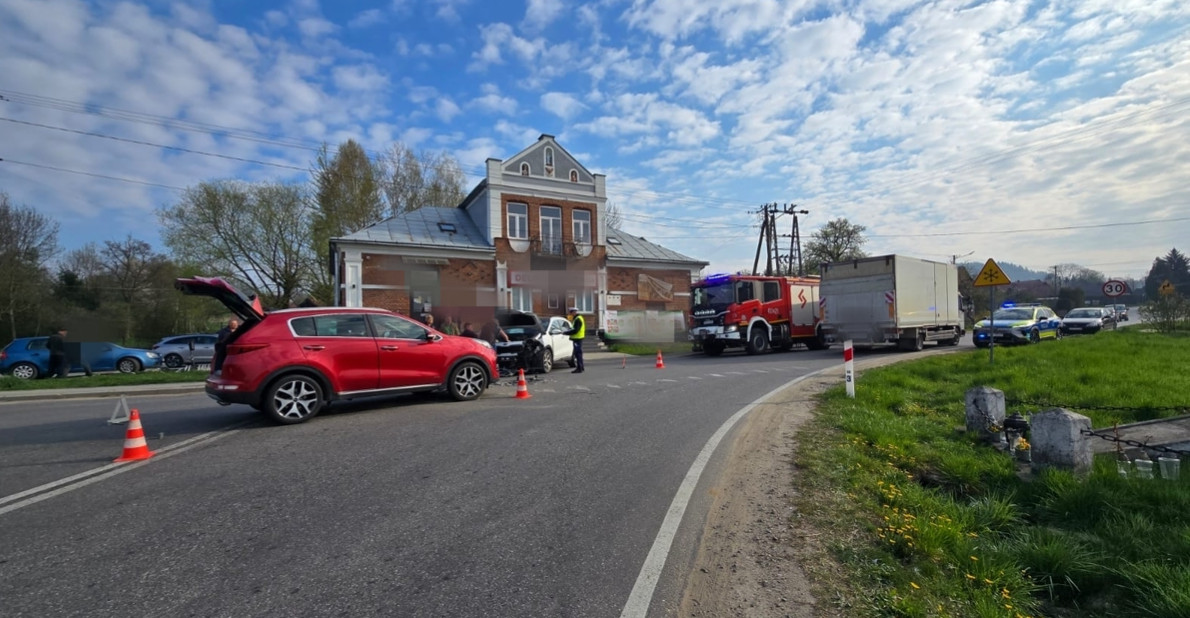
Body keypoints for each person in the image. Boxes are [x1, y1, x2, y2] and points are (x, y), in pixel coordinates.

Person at [565, 307, 585, 373]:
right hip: (578, 338)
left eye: (571, 313)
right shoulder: (577, 318)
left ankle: (579, 368)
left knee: (578, 353)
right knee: (579, 353)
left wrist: (566, 333)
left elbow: (575, 330)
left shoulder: (578, 319)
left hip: (577, 338)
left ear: (573, 312)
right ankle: (581, 367)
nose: (570, 314)